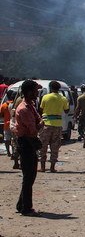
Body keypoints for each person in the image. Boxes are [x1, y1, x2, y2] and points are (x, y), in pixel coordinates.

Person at [12, 79, 43, 216]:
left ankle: (21, 204)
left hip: (29, 143)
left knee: (30, 176)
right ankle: (26, 208)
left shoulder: (30, 106)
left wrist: (39, 122)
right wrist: (40, 124)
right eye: (36, 90)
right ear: (29, 92)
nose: (37, 93)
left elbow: (38, 119)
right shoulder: (24, 109)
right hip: (26, 143)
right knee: (28, 177)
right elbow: (34, 130)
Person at [38, 80, 70, 173]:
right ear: (59, 89)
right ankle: (52, 167)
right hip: (57, 125)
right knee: (55, 147)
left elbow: (40, 109)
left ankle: (43, 167)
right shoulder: (63, 98)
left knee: (43, 146)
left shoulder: (45, 97)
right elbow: (67, 110)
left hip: (46, 124)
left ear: (50, 88)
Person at [1, 89, 15, 158]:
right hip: (14, 124)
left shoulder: (4, 105)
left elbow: (1, 114)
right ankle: (13, 153)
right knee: (14, 139)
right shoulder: (15, 104)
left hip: (6, 124)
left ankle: (8, 152)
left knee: (7, 139)